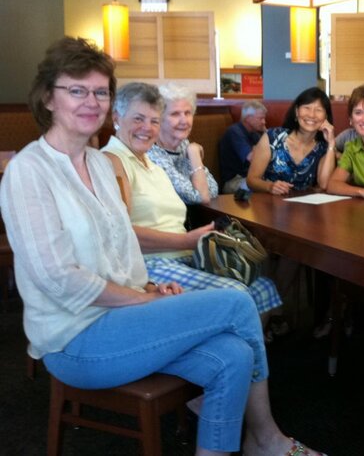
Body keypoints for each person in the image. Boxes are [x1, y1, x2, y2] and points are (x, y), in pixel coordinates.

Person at [0, 37, 324, 456]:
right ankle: (266, 439)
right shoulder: (29, 171)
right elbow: (58, 279)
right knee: (237, 302)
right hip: (74, 339)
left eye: (100, 91)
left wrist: (150, 289)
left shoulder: (99, 165)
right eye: (76, 90)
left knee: (233, 355)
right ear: (47, 97)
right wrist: (139, 299)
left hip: (120, 316)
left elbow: (122, 246)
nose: (91, 101)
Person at [103, 82, 282, 319]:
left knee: (262, 287)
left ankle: (226, 350)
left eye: (154, 121)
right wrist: (187, 241)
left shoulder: (150, 162)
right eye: (138, 119)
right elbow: (120, 235)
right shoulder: (113, 160)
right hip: (151, 265)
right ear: (117, 118)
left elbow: (209, 191)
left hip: (184, 256)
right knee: (239, 296)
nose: (147, 128)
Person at [247, 87, 336, 195]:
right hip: (267, 204)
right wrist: (270, 187)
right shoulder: (272, 137)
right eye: (307, 108)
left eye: (318, 110)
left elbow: (324, 184)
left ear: (325, 117)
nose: (312, 115)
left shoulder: (323, 148)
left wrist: (331, 144)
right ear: (296, 111)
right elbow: (251, 180)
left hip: (304, 208)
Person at [146, 82, 218, 204]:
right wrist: (195, 155)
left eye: (187, 113)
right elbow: (201, 197)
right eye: (175, 114)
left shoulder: (183, 144)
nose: (184, 120)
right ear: (158, 118)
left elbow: (213, 189)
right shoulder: (152, 153)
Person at [219, 100, 267, 193]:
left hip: (250, 178)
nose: (264, 122)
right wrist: (267, 136)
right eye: (260, 118)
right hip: (233, 181)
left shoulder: (254, 134)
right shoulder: (234, 132)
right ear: (248, 118)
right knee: (266, 188)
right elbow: (252, 158)